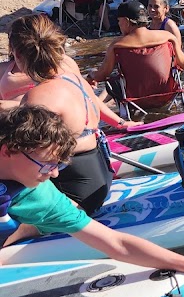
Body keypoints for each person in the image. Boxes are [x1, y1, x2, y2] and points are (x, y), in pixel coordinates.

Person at [0, 105, 184, 297]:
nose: (54, 174)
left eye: (59, 165)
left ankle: (21, 230)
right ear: (9, 150)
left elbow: (116, 243)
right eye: (48, 164)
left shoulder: (42, 196)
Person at [5, 14, 127, 216]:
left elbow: (23, 160)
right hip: (100, 178)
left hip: (73, 195)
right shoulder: (71, 77)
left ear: (17, 55)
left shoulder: (37, 97)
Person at [89, 0, 184, 81]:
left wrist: (91, 74)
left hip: (135, 98)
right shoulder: (168, 37)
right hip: (167, 95)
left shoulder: (117, 45)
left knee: (116, 80)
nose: (119, 24)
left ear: (126, 21)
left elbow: (101, 76)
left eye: (119, 21)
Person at [147, 0, 184, 70]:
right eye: (150, 6)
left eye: (156, 6)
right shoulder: (147, 26)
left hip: (169, 65)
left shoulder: (170, 26)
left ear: (166, 8)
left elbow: (178, 49)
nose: (152, 9)